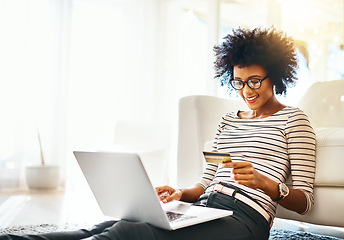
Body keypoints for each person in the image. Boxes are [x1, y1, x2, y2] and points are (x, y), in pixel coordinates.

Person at [0, 27, 316, 240]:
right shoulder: (227, 121)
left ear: (275, 75)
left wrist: (267, 184)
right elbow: (206, 183)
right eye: (239, 81)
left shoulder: (294, 120)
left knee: (131, 232)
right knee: (110, 225)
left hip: (246, 221)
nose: (246, 90)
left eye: (255, 81)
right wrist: (181, 194)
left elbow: (305, 203)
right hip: (204, 208)